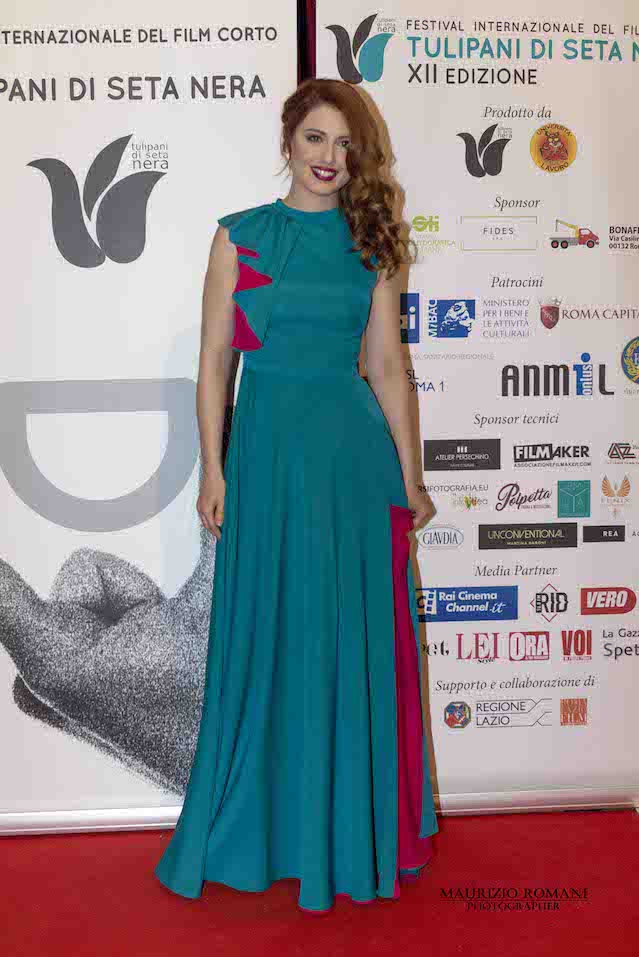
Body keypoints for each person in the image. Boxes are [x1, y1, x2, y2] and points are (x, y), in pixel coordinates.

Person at [154, 77, 439, 915]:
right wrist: (213, 469)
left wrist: (410, 477)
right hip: (269, 461)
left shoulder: (370, 242)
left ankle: (341, 830)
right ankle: (266, 826)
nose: (329, 157)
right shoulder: (240, 237)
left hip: (351, 467)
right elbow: (215, 363)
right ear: (287, 143)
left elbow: (384, 368)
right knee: (271, 639)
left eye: (344, 144)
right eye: (315, 138)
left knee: (340, 642)